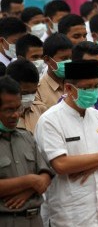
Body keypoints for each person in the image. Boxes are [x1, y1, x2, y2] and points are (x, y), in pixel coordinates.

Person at [35, 60, 98, 227]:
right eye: (87, 88)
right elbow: (61, 164)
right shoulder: (50, 120)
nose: (93, 92)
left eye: (96, 86)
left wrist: (91, 163)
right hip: (70, 216)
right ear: (69, 88)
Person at [0, 76, 53, 227]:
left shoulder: (27, 137)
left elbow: (45, 176)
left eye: (18, 108)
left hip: (34, 219)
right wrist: (29, 181)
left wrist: (29, 190)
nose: (16, 115)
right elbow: (36, 179)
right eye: (8, 110)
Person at [6, 59, 47, 134]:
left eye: (33, 92)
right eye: (24, 93)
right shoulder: (3, 116)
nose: (30, 97)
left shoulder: (41, 109)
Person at [36, 33, 72, 109]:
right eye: (64, 58)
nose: (69, 62)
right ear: (47, 60)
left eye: (70, 58)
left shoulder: (77, 84)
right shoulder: (38, 91)